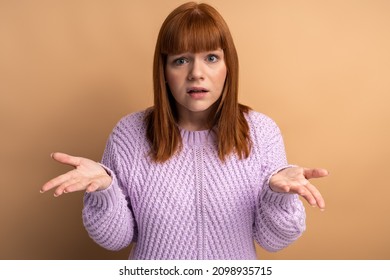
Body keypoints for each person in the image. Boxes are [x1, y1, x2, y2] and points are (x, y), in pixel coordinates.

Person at [40, 2, 328, 260]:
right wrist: (105, 190)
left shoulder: (261, 132)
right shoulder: (128, 134)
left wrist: (277, 196)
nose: (196, 73)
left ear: (229, 66)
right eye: (181, 60)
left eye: (211, 58)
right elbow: (115, 240)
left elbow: (274, 241)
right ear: (164, 71)